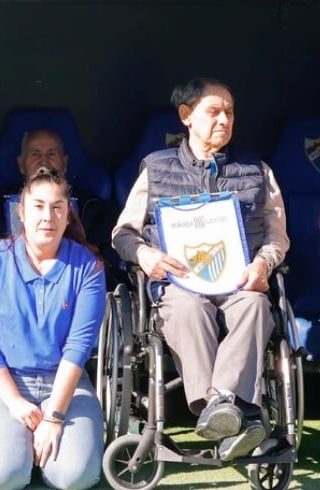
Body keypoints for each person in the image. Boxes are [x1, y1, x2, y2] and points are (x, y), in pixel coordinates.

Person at [112, 78, 289, 462]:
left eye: (230, 112)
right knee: (188, 308)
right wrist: (145, 255)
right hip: (179, 285)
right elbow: (123, 233)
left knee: (256, 306)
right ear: (186, 116)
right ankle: (234, 414)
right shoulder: (156, 169)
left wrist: (264, 262)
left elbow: (277, 236)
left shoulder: (257, 170)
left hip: (238, 282)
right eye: (214, 111)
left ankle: (221, 405)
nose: (224, 119)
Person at [0, 168, 107, 490]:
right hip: (1, 384)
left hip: (63, 384)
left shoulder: (89, 267)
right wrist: (14, 402)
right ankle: (16, 446)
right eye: (38, 206)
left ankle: (35, 449)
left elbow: (79, 346)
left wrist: (54, 417)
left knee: (76, 476)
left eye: (57, 207)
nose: (47, 217)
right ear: (21, 213)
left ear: (67, 215)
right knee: (3, 477)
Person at [0, 128, 115, 263]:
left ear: (64, 163)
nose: (44, 161)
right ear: (21, 164)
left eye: (51, 154)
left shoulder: (93, 206)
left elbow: (107, 258)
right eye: (35, 154)